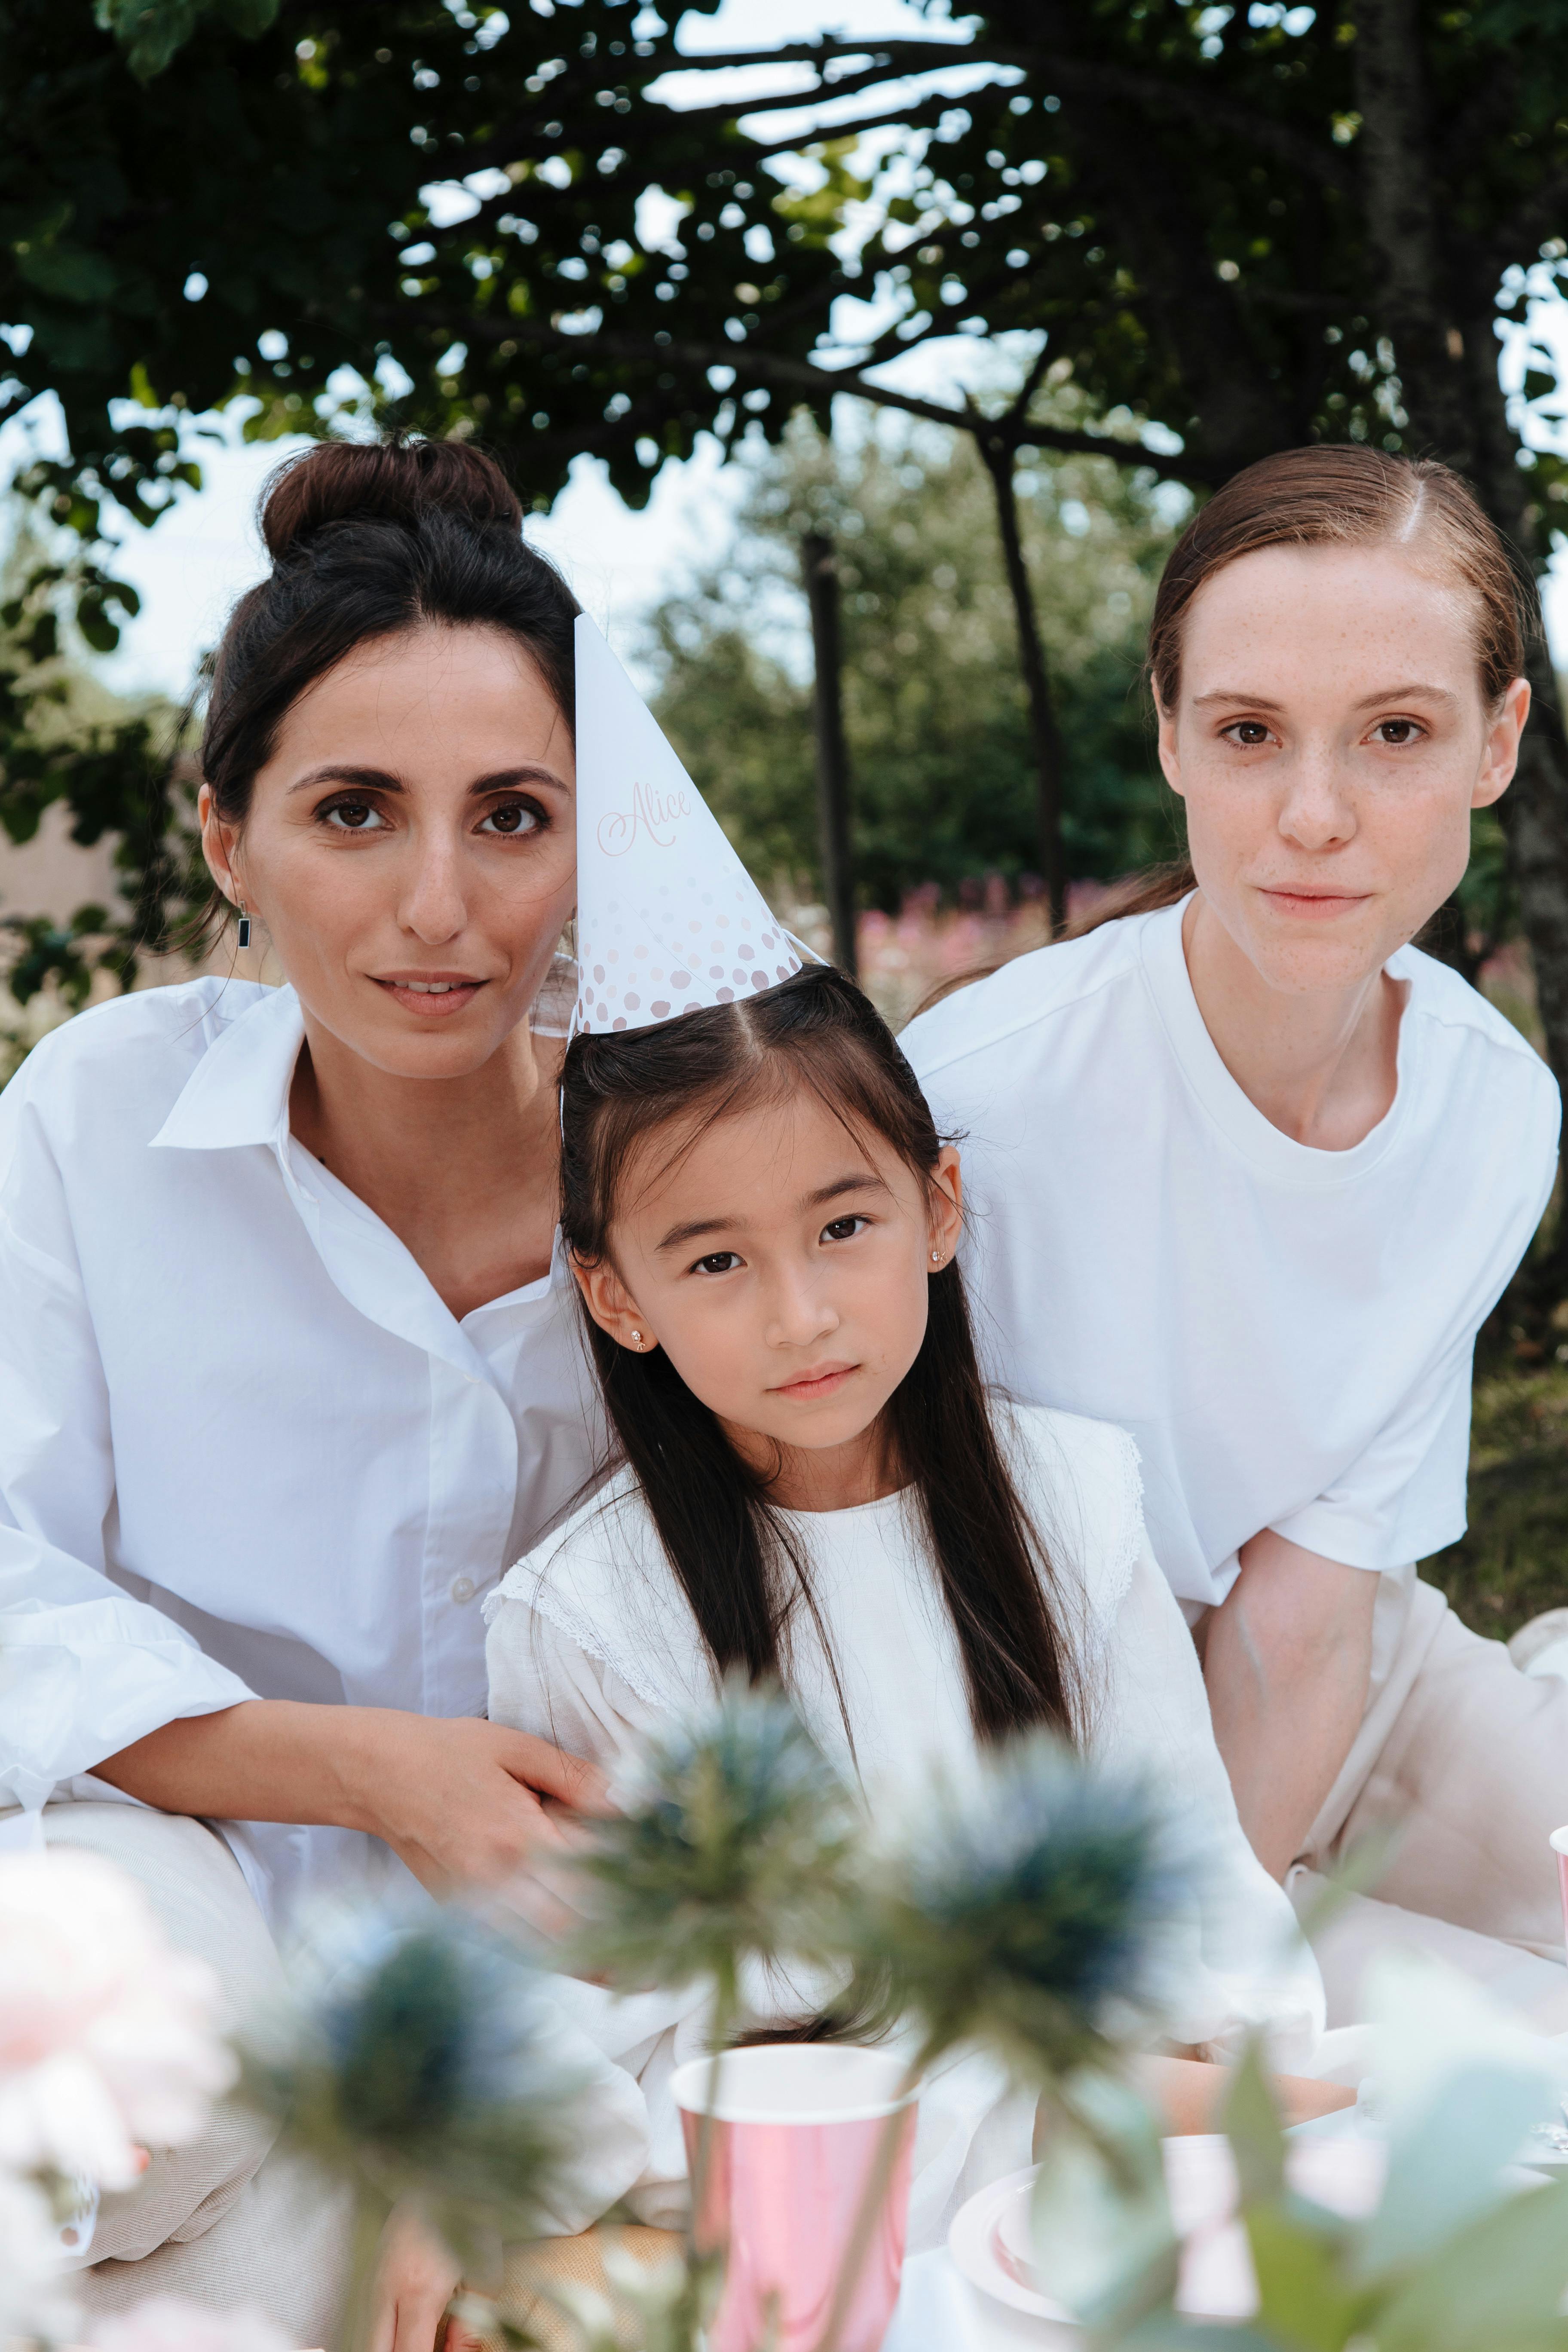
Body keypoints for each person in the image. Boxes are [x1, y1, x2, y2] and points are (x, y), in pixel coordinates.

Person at [478, 618, 1341, 2271]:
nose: (801, 1315)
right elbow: (627, 2039)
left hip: (1107, 2168)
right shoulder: (595, 1616)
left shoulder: (1064, 1501)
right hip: (813, 2207)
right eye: (714, 1259)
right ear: (618, 1295)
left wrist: (1226, 2064)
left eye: (844, 1225)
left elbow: (1184, 1868)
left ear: (939, 1207)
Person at [0, 439, 649, 2338]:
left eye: (514, 815)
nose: (441, 904)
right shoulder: (97, 1121)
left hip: (575, 1972)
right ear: (229, 838)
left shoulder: (689, 1170)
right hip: (160, 1910)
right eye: (355, 813)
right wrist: (365, 1771)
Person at [898, 444, 1568, 2024]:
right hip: (1032, 1716)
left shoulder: (1492, 1108)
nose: (1315, 816)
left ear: (1499, 743)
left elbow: (1310, 1602)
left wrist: (1229, 1925)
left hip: (1341, 1662)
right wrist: (1179, 1976)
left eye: (1397, 734)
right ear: (1173, 739)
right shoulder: (976, 1103)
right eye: (1250, 734)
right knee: (1398, 2044)